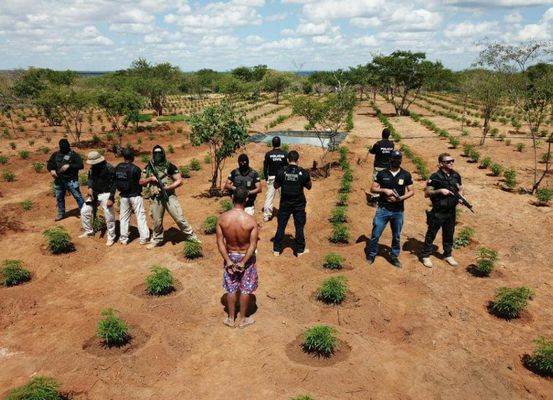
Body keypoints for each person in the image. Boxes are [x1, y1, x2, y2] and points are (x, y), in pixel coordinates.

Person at [216, 187, 259, 329]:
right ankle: (242, 320)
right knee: (245, 289)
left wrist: (228, 261)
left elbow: (220, 242)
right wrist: (243, 262)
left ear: (232, 198)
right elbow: (252, 245)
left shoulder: (222, 218)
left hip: (230, 255)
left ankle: (230, 318)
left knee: (231, 287)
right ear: (246, 199)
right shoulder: (251, 221)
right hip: (246, 257)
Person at [142, 145, 199, 249]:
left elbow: (179, 180)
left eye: (159, 152)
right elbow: (141, 181)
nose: (157, 155)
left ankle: (191, 235)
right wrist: (151, 178)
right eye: (155, 153)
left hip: (169, 196)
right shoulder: (149, 167)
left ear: (163, 153)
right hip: (156, 198)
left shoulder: (170, 166)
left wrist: (168, 187)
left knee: (179, 218)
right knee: (157, 221)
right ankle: (157, 239)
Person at [366, 151, 414, 268]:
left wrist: (399, 199)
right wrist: (384, 190)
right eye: (394, 159)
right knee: (376, 234)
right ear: (390, 159)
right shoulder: (382, 174)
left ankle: (394, 256)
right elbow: (373, 188)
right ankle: (372, 255)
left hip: (398, 211)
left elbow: (412, 191)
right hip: (383, 209)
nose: (397, 161)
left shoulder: (405, 175)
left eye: (399, 159)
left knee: (396, 236)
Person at [421, 153, 463, 268]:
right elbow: (427, 193)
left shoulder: (456, 175)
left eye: (452, 161)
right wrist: (440, 191)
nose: (451, 163)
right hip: (438, 210)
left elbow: (460, 188)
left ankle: (448, 254)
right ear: (441, 164)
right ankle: (426, 255)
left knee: (449, 233)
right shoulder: (435, 177)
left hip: (451, 211)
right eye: (448, 161)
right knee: (432, 233)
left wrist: (460, 197)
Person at [273, 150, 312, 257]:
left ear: (287, 160)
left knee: (281, 226)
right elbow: (309, 186)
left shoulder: (281, 171)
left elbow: (275, 186)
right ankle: (299, 250)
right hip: (298, 204)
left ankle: (277, 249)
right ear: (298, 160)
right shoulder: (303, 172)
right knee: (299, 227)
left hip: (285, 203)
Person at [79, 151, 117, 246]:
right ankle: (89, 231)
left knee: (109, 217)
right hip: (94, 194)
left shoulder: (109, 168)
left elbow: (114, 183)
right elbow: (90, 179)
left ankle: (111, 236)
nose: (92, 165)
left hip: (106, 194)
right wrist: (90, 188)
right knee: (84, 211)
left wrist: (111, 198)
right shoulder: (92, 169)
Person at [115, 148, 150, 245]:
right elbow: (141, 182)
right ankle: (144, 238)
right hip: (135, 195)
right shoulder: (135, 169)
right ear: (132, 157)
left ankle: (123, 239)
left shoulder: (118, 167)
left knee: (124, 218)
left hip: (123, 196)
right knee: (140, 216)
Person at [47, 138, 85, 221]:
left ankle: (84, 212)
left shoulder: (73, 155)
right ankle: (61, 213)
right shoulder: (55, 155)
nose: (64, 148)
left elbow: (81, 165)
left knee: (78, 196)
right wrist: (51, 170)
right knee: (59, 198)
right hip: (58, 180)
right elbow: (50, 164)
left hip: (71, 180)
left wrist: (69, 166)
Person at [262, 136, 288, 221]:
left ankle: (267, 215)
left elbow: (265, 167)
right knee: (284, 196)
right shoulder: (285, 154)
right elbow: (287, 167)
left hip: (272, 177)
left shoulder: (268, 154)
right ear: (280, 143)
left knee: (269, 196)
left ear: (272, 143)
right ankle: (284, 214)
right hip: (282, 177)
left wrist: (266, 177)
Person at [367, 128, 395, 203]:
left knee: (377, 182)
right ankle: (385, 197)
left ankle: (375, 198)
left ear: (382, 134)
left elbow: (373, 151)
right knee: (386, 181)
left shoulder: (378, 144)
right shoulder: (392, 144)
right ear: (389, 135)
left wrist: (369, 149)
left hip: (378, 166)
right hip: (387, 167)